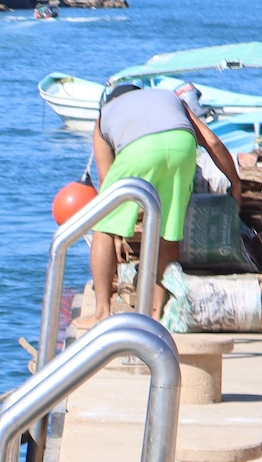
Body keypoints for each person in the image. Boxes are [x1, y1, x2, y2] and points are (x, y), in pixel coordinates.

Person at [85, 82, 243, 328]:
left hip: (139, 151)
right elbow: (212, 143)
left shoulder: (104, 116)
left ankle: (102, 312)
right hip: (182, 146)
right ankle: (155, 311)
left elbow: (107, 184)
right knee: (168, 230)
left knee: (103, 227)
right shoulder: (169, 98)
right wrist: (235, 183)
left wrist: (115, 232)